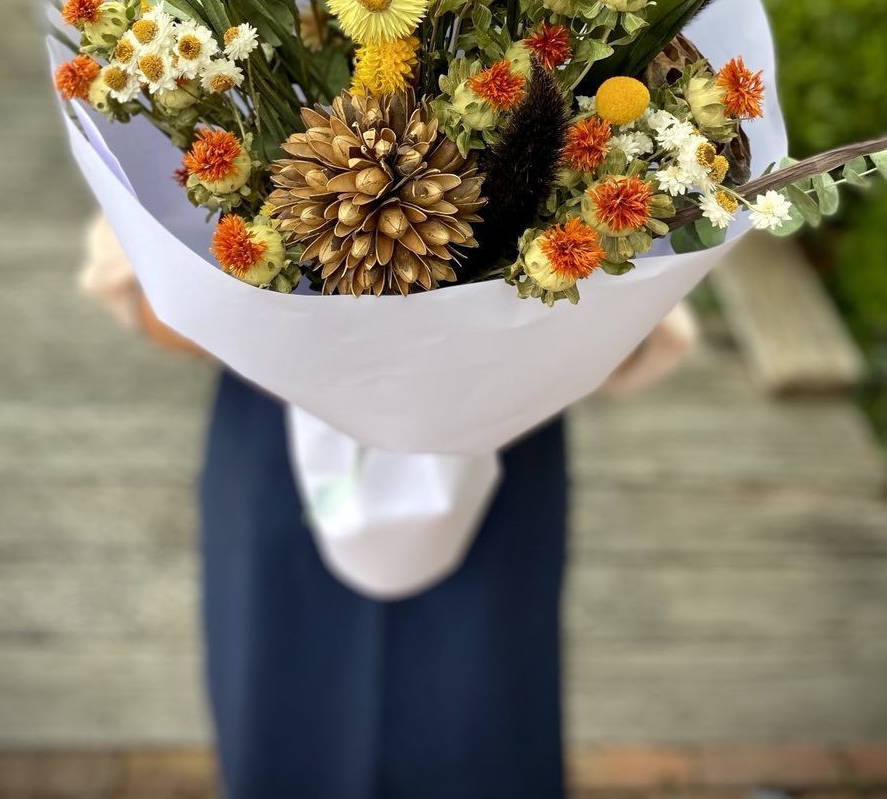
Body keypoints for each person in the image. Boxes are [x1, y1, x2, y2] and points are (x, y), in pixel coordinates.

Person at [82, 215, 697, 798]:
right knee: (286, 720)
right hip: (281, 440)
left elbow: (636, 333)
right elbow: (140, 288)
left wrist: (536, 315)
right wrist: (296, 329)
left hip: (502, 439)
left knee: (484, 721)